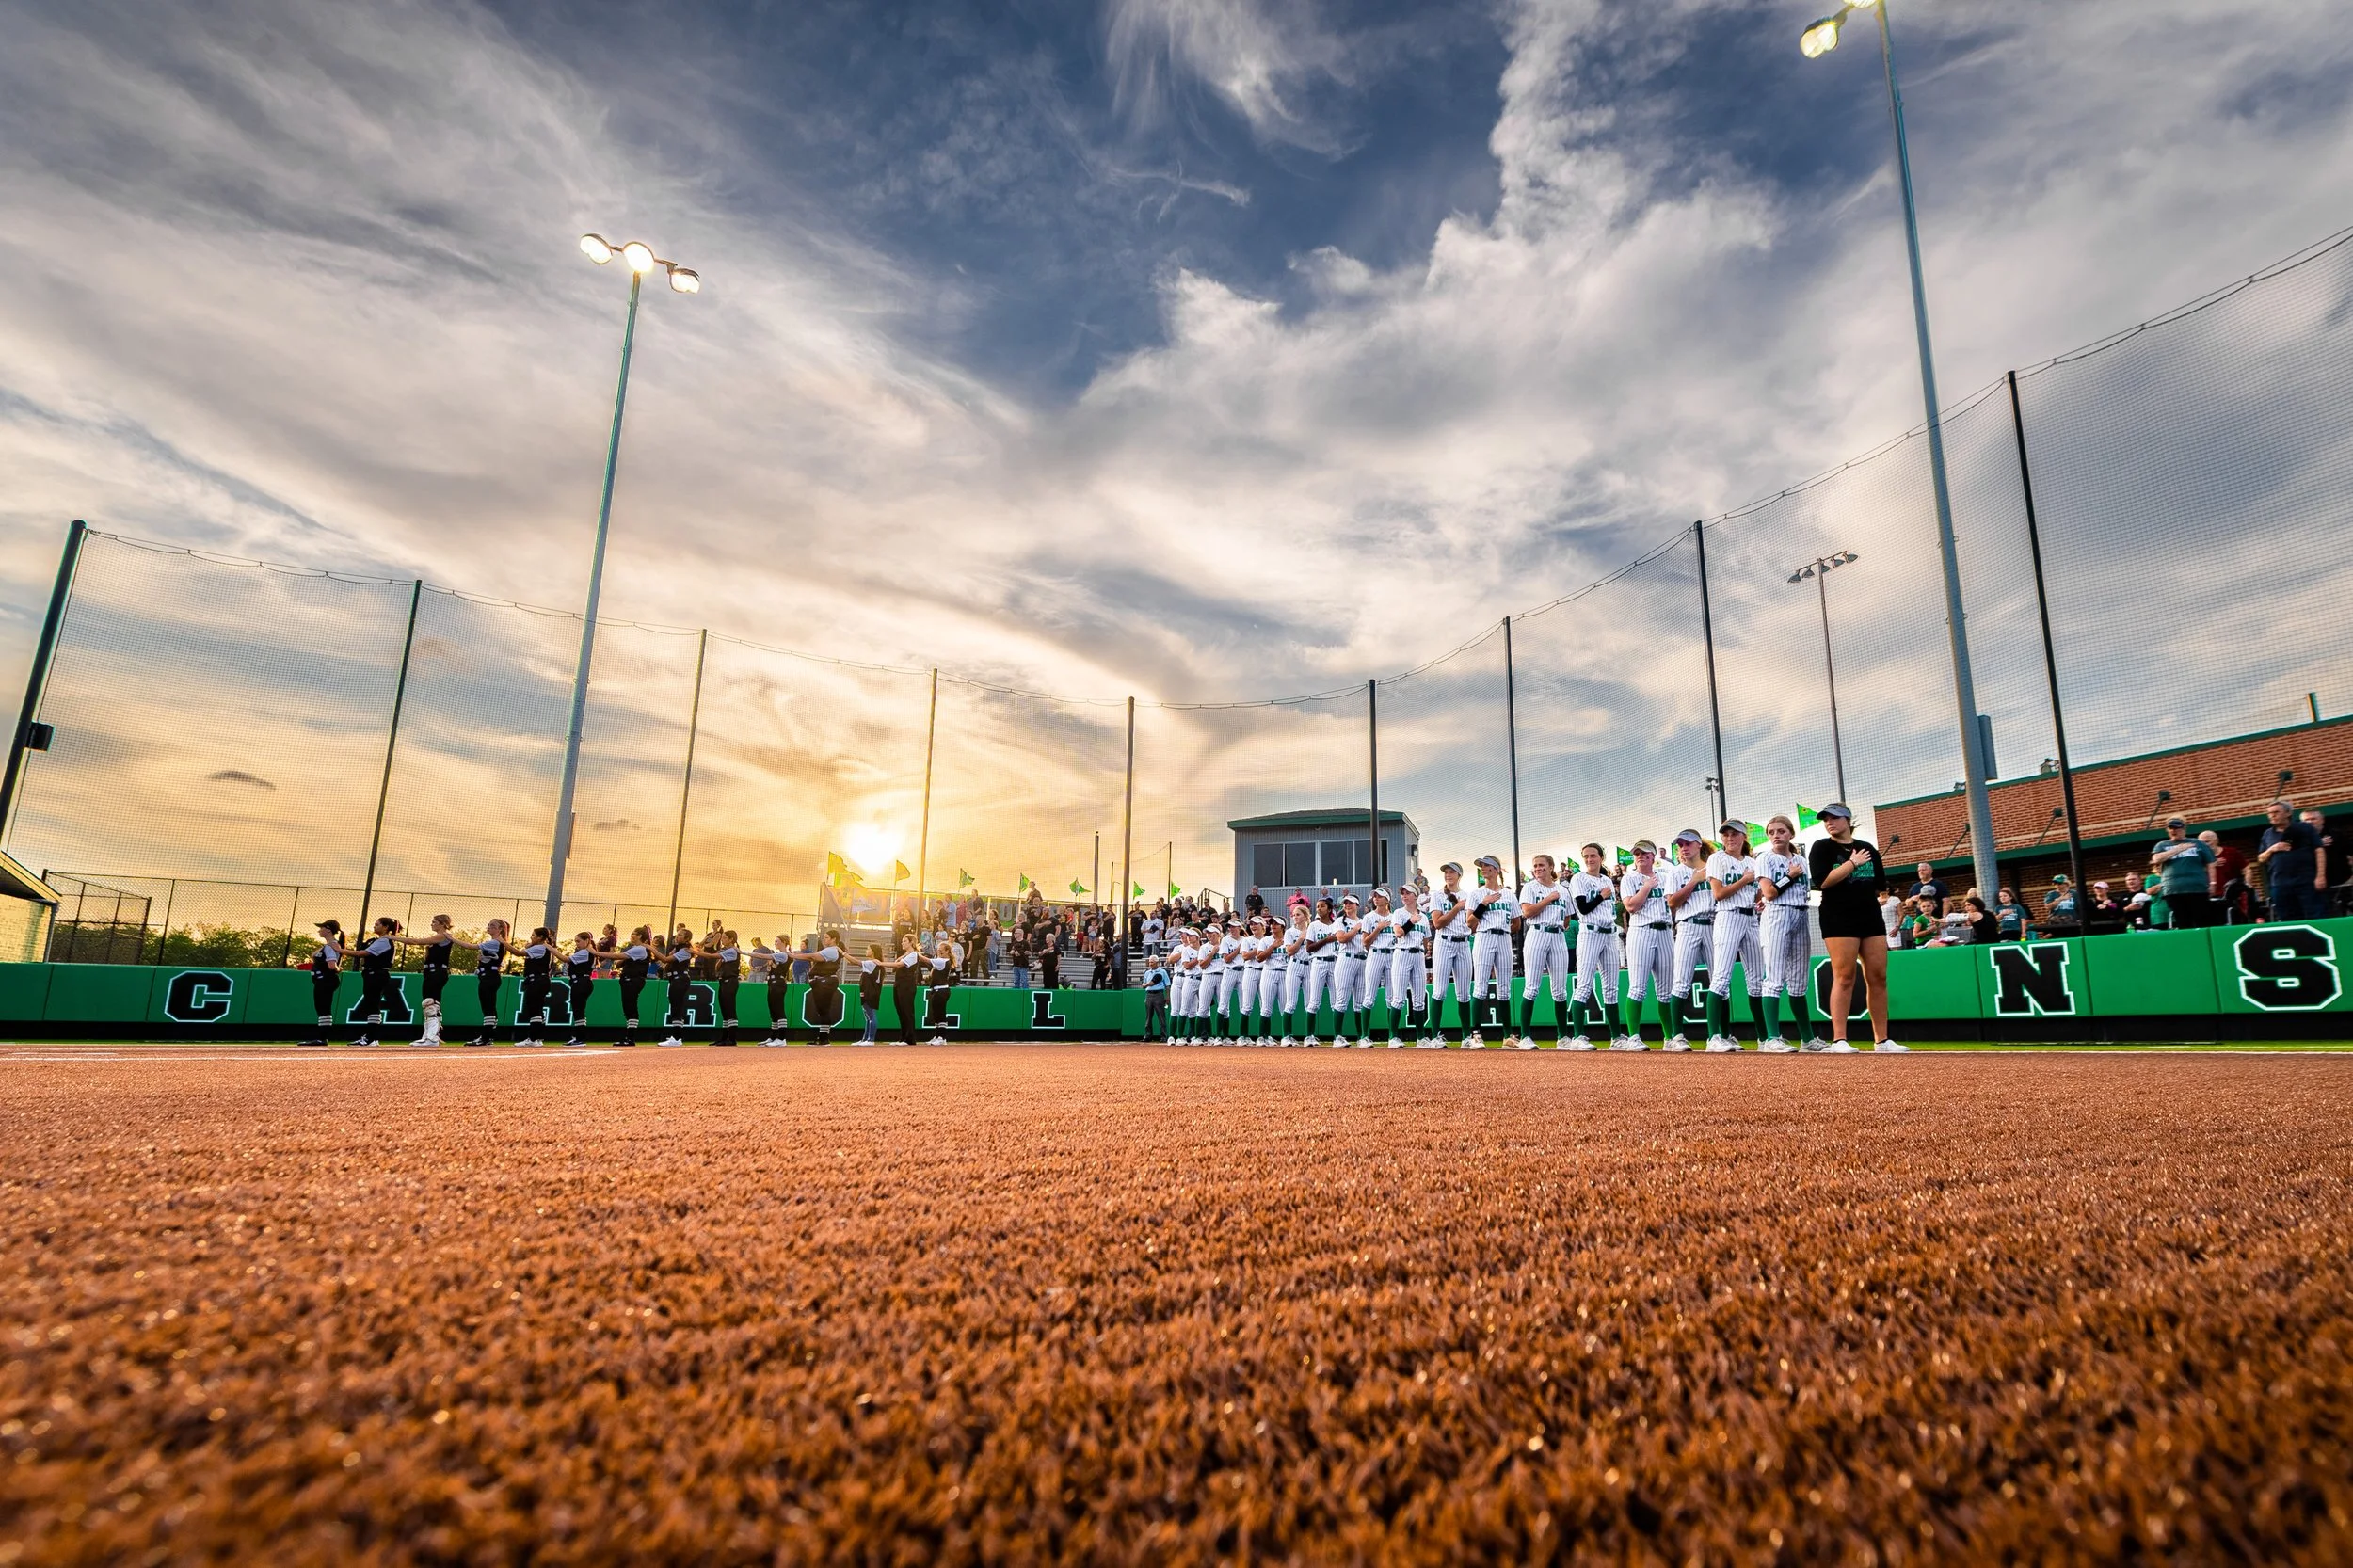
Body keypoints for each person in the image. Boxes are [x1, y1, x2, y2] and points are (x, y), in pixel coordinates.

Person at [1810, 803, 1900, 1051]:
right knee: (1845, 976)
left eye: (1835, 818)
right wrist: (1852, 864)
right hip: (1838, 917)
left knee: (1878, 976)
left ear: (1847, 820)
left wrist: (1857, 871)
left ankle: (1882, 1040)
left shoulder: (1868, 848)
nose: (1829, 822)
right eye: (1826, 819)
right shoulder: (1822, 847)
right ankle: (1839, 1039)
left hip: (1870, 916)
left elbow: (1879, 885)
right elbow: (1823, 882)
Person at [1753, 815, 1818, 1052]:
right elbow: (1769, 893)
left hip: (1801, 914)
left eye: (1781, 831)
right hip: (1777, 915)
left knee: (1799, 982)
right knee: (1774, 978)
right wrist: (1790, 876)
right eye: (1771, 832)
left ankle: (1808, 1039)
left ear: (1791, 833)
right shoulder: (1765, 858)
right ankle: (1771, 1038)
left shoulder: (1801, 858)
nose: (1776, 835)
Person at [1705, 822, 1766, 1051]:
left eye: (1734, 833)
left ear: (1744, 836)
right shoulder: (1717, 858)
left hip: (1750, 918)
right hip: (1728, 917)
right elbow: (1718, 894)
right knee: (1720, 977)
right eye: (1726, 834)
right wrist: (1744, 880)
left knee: (1756, 981)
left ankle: (1764, 1038)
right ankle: (1713, 1037)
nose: (1730, 838)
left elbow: (1758, 893)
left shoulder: (1753, 862)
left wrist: (1760, 897)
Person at [1558, 844, 1624, 1050]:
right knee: (1584, 984)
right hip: (1590, 932)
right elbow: (1584, 909)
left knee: (1611, 988)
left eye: (1593, 855)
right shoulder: (1579, 878)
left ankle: (1616, 1038)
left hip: (1609, 933)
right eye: (1586, 856)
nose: (1589, 859)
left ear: (1601, 857)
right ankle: (1578, 1037)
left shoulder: (1606, 881)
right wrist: (1601, 896)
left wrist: (1605, 895)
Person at [1619, 841, 1678, 1051]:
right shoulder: (1630, 878)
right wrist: (1646, 886)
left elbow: (1674, 904)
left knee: (1665, 990)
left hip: (1664, 931)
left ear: (1653, 856)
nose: (1640, 856)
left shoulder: (1666, 876)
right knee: (1638, 987)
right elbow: (1631, 906)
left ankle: (1670, 1038)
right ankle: (1634, 1037)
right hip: (1641, 930)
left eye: (1644, 853)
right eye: (1637, 854)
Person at [1660, 830, 1713, 1052]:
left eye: (1688, 843)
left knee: (1719, 981)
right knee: (1681, 982)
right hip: (1688, 924)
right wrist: (1693, 882)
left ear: (1699, 845)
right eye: (1680, 844)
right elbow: (1672, 903)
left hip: (1713, 923)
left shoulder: (1713, 867)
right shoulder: (1675, 872)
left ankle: (1720, 1035)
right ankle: (1677, 1036)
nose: (1683, 847)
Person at [1517, 854, 1572, 1049]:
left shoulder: (1563, 890)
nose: (1538, 869)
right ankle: (1525, 1036)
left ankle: (1563, 1037)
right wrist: (1548, 899)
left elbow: (1567, 919)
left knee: (1559, 989)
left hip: (1557, 935)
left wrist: (1553, 900)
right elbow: (1527, 912)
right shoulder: (1530, 887)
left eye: (1541, 865)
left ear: (1551, 867)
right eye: (1535, 866)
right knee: (1532, 986)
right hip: (1537, 933)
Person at [1466, 856, 1518, 1048]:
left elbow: (1516, 923)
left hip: (1503, 936)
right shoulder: (1477, 894)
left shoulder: (1509, 895)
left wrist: (1502, 930)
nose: (1483, 869)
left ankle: (1507, 1036)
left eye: (1487, 866)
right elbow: (1470, 923)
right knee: (1480, 985)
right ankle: (1475, 1034)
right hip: (1483, 935)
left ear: (1497, 869)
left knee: (1504, 987)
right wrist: (1484, 903)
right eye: (1482, 866)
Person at [1426, 861, 1475, 1047]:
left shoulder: (1468, 895)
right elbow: (1438, 923)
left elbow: (1472, 921)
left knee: (1464, 993)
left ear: (1459, 875)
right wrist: (1456, 908)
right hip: (1444, 941)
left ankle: (1466, 1037)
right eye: (1446, 872)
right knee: (1439, 990)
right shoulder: (1437, 896)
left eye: (1452, 872)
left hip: (1463, 942)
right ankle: (1435, 1036)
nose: (1448, 875)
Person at [391, 914, 456, 1046]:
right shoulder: (437, 938)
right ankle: (429, 1036)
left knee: (430, 1003)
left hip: (437, 971)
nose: (432, 924)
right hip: (430, 971)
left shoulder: (443, 935)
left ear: (443, 924)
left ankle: (431, 1038)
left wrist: (393, 937)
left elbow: (416, 942)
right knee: (429, 1004)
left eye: (434, 922)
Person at [2257, 800, 2328, 921]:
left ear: (2288, 813)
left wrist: (2320, 876)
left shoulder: (2305, 828)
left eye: (2276, 812)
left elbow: (2319, 851)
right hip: (2279, 883)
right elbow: (2260, 858)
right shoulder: (2267, 834)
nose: (2272, 815)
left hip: (2306, 881)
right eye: (2269, 813)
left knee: (2315, 916)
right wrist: (2272, 849)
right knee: (2287, 918)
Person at [346, 916, 403, 1048]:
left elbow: (363, 953)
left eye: (377, 925)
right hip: (373, 973)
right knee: (371, 1004)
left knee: (373, 1004)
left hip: (377, 974)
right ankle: (371, 1037)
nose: (374, 927)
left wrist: (340, 951)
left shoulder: (384, 941)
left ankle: (371, 1037)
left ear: (385, 927)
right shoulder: (379, 940)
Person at [2151, 817, 2217, 928]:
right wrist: (2178, 849)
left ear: (2184, 828)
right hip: (2173, 890)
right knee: (2182, 921)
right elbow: (2156, 859)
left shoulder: (2197, 843)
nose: (2174, 831)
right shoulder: (2162, 845)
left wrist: (2213, 883)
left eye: (2177, 828)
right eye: (2171, 828)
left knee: (2202, 920)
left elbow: (2210, 864)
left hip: (2197, 888)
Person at [1388, 886, 1431, 1048]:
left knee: (1419, 999)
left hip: (1418, 954)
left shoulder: (1424, 917)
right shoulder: (1399, 913)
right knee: (1398, 997)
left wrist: (1425, 949)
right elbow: (1398, 933)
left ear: (1416, 896)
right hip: (1402, 952)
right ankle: (1393, 1037)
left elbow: (1427, 939)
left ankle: (1421, 1038)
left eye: (1408, 893)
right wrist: (1411, 922)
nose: (1404, 896)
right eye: (1403, 893)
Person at [1299, 897, 1341, 1048]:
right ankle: (1309, 1036)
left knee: (1336, 1001)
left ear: (1329, 909)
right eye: (1317, 906)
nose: (1319, 909)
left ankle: (1338, 1037)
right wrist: (1326, 941)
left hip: (1334, 962)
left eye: (1322, 906)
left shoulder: (1336, 924)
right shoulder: (1314, 926)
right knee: (1314, 1001)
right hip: (1318, 962)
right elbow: (1309, 948)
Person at [299, 918, 346, 1048]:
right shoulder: (329, 946)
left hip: (326, 980)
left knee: (323, 1008)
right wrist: (326, 946)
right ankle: (321, 1037)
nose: (319, 930)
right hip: (323, 980)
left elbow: (332, 966)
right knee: (321, 1008)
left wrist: (338, 968)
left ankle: (322, 1038)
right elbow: (313, 955)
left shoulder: (332, 947)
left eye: (321, 928)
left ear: (328, 929)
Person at [468, 919, 510, 1048]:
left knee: (488, 1007)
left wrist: (451, 939)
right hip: (489, 976)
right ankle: (489, 1035)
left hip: (489, 977)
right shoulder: (497, 943)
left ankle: (486, 1037)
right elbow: (490, 959)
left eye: (493, 926)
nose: (489, 927)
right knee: (489, 1006)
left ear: (500, 929)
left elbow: (470, 946)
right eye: (489, 925)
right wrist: (483, 959)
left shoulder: (495, 942)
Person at [516, 927, 555, 1047]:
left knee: (534, 1008)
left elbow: (518, 953)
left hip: (537, 980)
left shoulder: (540, 947)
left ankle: (533, 1038)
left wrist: (503, 942)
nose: (531, 937)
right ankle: (538, 1038)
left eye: (533, 935)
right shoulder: (540, 947)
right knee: (537, 1009)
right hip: (540, 979)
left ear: (540, 937)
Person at [618, 926, 655, 1047]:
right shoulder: (634, 949)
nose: (631, 936)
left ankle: (630, 1038)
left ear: (640, 936)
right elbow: (619, 963)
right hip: (627, 979)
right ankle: (629, 1037)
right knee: (628, 1008)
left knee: (631, 1007)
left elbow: (617, 958)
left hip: (633, 980)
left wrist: (595, 952)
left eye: (634, 934)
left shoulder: (640, 949)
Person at [706, 929, 743, 1047]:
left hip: (730, 981)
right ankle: (724, 1038)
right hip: (723, 981)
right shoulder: (726, 952)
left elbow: (711, 955)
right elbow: (717, 967)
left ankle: (732, 1038)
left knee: (730, 1009)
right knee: (724, 1010)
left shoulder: (732, 951)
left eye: (725, 938)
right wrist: (721, 959)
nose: (722, 940)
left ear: (731, 939)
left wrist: (695, 951)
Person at [2205, 831, 2250, 924]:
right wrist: (2210, 865)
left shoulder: (2231, 852)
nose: (2205, 845)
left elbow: (2247, 869)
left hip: (2232, 897)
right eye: (2201, 843)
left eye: (2207, 842)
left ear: (2216, 841)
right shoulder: (2199, 859)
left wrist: (2248, 884)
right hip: (2210, 897)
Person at [891, 931, 924, 1045]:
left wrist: (881, 963)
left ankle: (910, 1038)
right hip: (899, 984)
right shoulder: (905, 955)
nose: (902, 943)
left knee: (907, 1011)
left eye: (905, 941)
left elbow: (899, 965)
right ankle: (903, 1037)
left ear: (911, 943)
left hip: (907, 985)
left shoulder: (913, 955)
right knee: (900, 1011)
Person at [565, 933, 597, 1048]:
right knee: (578, 1010)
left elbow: (565, 959)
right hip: (582, 982)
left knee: (578, 1010)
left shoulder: (585, 952)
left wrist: (550, 948)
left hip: (581, 982)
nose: (576, 944)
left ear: (586, 940)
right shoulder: (585, 951)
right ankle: (578, 1037)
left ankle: (580, 1038)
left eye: (578, 941)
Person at [925, 938, 957, 1046]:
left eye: (942, 950)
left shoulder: (943, 961)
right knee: (936, 1014)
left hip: (941, 990)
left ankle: (942, 1037)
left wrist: (915, 954)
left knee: (940, 1013)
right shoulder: (940, 961)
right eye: (938, 950)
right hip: (936, 990)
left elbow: (926, 960)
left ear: (947, 951)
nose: (939, 951)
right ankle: (937, 1035)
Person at [1142, 955, 1170, 1041]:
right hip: (1149, 994)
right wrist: (1147, 985)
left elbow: (1167, 985)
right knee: (1148, 1017)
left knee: (1161, 1017)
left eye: (1152, 962)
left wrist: (1168, 997)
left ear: (1157, 963)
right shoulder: (1147, 973)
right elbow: (1144, 984)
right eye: (1150, 962)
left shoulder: (1163, 972)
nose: (1150, 964)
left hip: (1159, 994)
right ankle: (1148, 1035)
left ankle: (1164, 1036)